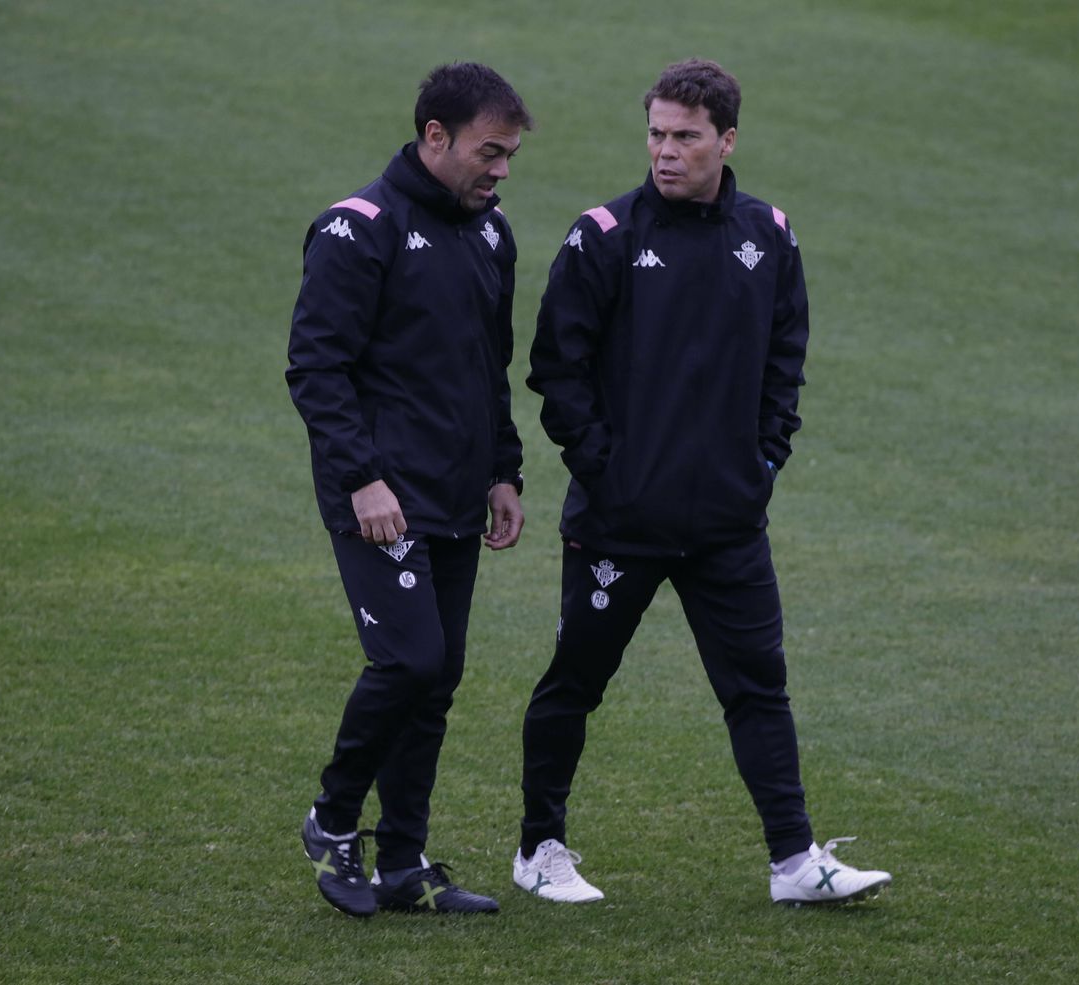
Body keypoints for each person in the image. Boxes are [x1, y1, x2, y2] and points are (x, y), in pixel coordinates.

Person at [514, 59, 891, 907]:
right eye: (655, 134)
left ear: (727, 139)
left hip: (727, 521)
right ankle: (539, 847)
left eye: (686, 136)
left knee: (758, 686)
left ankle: (795, 863)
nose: (666, 151)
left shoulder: (770, 235)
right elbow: (555, 369)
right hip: (621, 522)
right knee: (575, 681)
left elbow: (783, 362)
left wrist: (762, 461)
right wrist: (609, 470)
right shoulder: (603, 235)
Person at [286, 62, 531, 917]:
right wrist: (362, 479)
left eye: (508, 156)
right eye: (489, 152)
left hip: (458, 491)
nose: (501, 170)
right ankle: (330, 817)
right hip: (379, 496)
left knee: (439, 676)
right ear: (436, 138)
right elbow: (316, 368)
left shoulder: (490, 235)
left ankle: (404, 861)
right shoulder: (357, 231)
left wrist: (505, 469)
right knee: (410, 659)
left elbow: (488, 370)